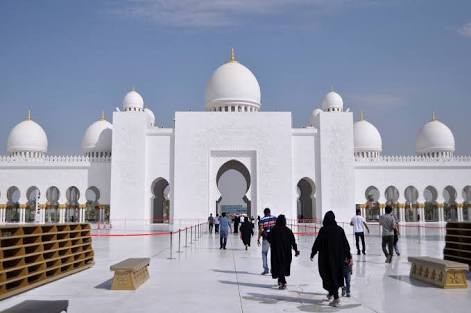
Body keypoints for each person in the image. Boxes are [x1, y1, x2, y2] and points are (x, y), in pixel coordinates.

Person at [310, 211, 352, 307]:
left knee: (327, 275)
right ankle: (331, 292)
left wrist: (313, 253)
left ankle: (336, 298)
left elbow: (317, 243)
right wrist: (348, 256)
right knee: (335, 275)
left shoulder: (323, 230)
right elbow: (345, 244)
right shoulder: (339, 230)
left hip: (326, 259)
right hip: (338, 258)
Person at [267, 215, 300, 289]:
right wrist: (296, 250)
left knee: (279, 266)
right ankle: (282, 281)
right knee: (282, 266)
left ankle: (282, 281)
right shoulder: (288, 230)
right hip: (286, 253)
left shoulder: (273, 229)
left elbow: (269, 238)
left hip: (276, 252)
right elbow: (293, 241)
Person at [257, 208, 277, 275]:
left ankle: (266, 269)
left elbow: (260, 230)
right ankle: (273, 269)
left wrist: (258, 239)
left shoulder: (262, 220)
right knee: (273, 254)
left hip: (266, 238)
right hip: (274, 239)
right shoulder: (274, 218)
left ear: (264, 213)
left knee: (264, 253)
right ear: (270, 212)